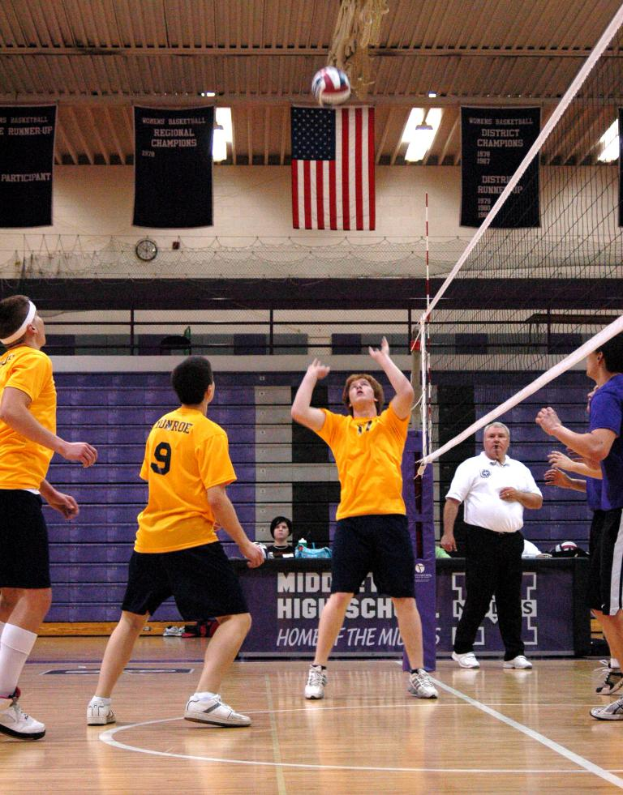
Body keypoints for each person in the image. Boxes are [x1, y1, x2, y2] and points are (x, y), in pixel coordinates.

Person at [87, 356, 264, 728]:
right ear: (210, 390)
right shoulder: (210, 432)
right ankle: (205, 697)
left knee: (131, 621)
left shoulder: (158, 427)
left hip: (149, 539)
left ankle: (99, 703)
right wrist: (246, 544)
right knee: (237, 618)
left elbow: (156, 481)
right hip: (190, 539)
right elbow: (216, 496)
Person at [291, 338, 438, 701]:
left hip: (390, 520)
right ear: (348, 399)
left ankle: (418, 673)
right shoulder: (338, 426)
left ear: (374, 396)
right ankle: (317, 670)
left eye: (365, 386)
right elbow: (298, 410)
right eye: (353, 386)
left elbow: (406, 390)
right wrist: (310, 376)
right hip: (352, 523)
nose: (358, 387)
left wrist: (386, 361)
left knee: (404, 599)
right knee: (339, 595)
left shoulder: (391, 422)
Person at [0, 295, 97, 740]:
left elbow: (9, 436)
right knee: (37, 598)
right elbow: (11, 414)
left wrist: (50, 491)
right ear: (33, 327)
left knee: (7, 598)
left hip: (13, 485)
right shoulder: (35, 361)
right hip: (10, 494)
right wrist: (63, 447)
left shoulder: (3, 366)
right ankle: (2, 701)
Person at [536, 331, 623, 720]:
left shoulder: (608, 393)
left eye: (589, 352)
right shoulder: (608, 394)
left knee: (613, 605)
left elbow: (598, 449)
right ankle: (619, 668)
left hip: (619, 510)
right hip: (609, 513)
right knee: (602, 604)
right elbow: (605, 463)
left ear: (600, 356)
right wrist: (573, 476)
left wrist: (557, 430)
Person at [440, 422, 543, 670]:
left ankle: (514, 654)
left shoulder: (519, 469)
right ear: (483, 441)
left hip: (511, 540)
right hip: (480, 538)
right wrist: (447, 533)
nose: (495, 440)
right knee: (479, 595)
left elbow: (537, 501)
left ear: (508, 440)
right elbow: (453, 501)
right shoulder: (471, 466)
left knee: (510, 598)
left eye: (500, 436)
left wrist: (518, 495)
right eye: (490, 436)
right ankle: (462, 648)